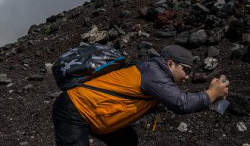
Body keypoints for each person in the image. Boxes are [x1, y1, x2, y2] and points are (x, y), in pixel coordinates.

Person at [52, 44, 230, 146]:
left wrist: (211, 97)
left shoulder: (156, 74)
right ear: (170, 64)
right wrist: (211, 93)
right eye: (185, 70)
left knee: (127, 140)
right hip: (75, 109)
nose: (187, 76)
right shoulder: (153, 73)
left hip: (94, 112)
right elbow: (181, 104)